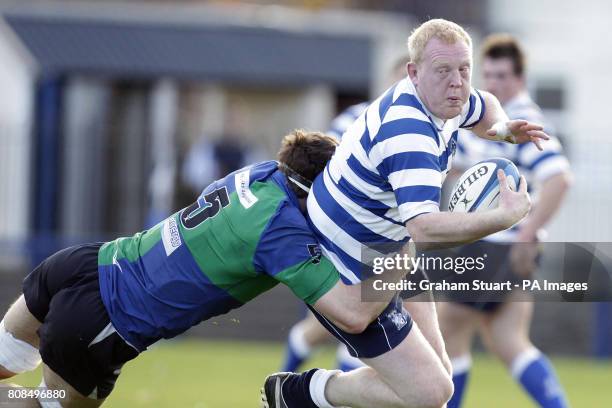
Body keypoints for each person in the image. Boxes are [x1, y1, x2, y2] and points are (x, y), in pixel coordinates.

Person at [0, 130, 412, 407]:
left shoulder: (261, 173)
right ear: (315, 189)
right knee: (34, 402)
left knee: (6, 360)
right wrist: (407, 249)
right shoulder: (281, 233)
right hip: (103, 321)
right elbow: (353, 315)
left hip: (83, 263)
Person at [262, 18, 548, 408]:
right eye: (444, 71)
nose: (457, 82)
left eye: (464, 69)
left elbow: (483, 108)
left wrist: (500, 128)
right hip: (347, 265)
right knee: (429, 392)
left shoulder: (448, 99)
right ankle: (299, 394)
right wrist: (504, 217)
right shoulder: (409, 131)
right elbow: (426, 229)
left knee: (438, 385)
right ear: (414, 73)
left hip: (389, 251)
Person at [437, 34, 572, 408]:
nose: (492, 83)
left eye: (501, 76)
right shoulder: (490, 122)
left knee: (448, 333)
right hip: (498, 246)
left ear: (520, 79)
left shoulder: (526, 122)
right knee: (508, 341)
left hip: (494, 246)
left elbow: (560, 178)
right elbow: (462, 168)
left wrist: (527, 236)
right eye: (489, 75)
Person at [280, 56, 411, 374]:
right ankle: (289, 379)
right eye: (397, 85)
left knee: (365, 327)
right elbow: (320, 166)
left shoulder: (424, 131)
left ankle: (295, 383)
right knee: (346, 325)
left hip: (390, 241)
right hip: (347, 235)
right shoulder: (357, 119)